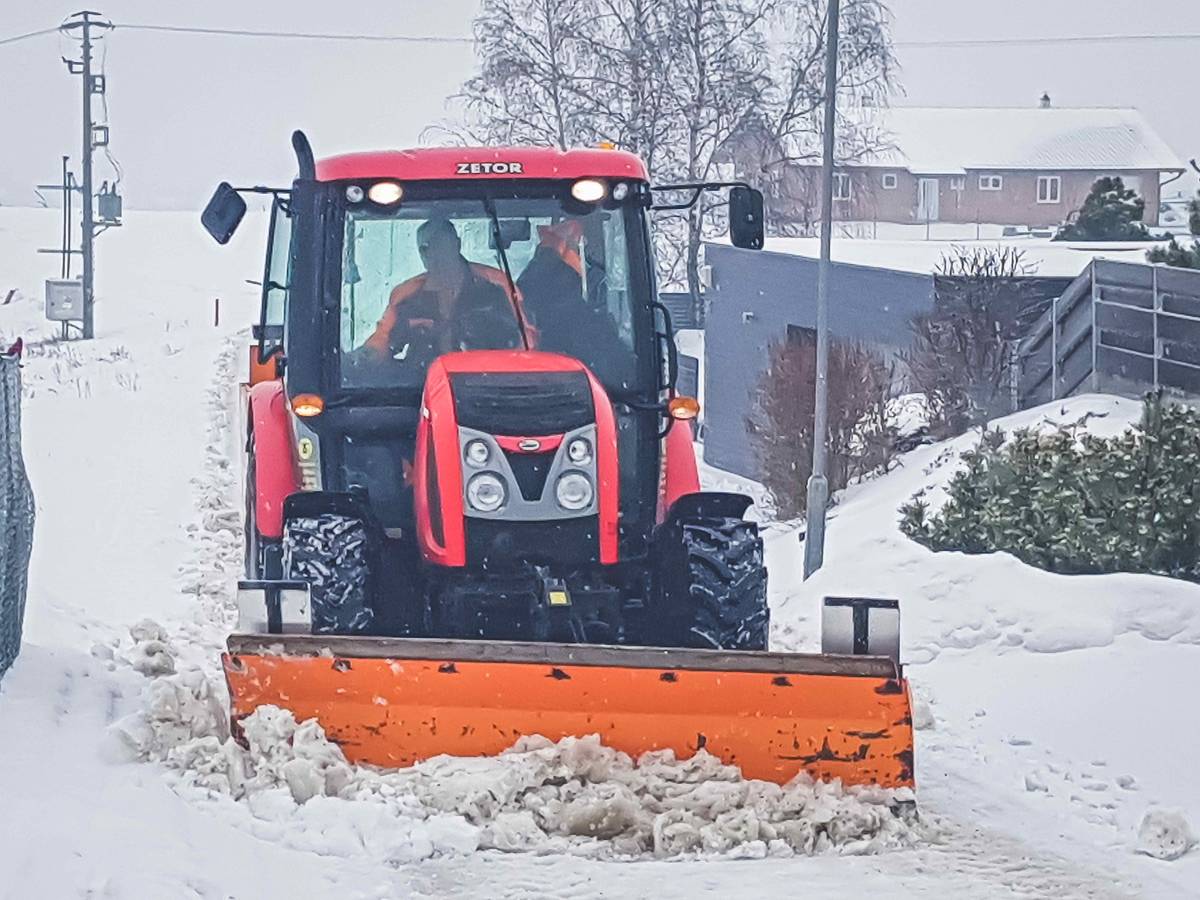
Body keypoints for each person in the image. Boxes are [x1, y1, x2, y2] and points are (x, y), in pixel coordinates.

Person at [363, 216, 531, 361]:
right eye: (424, 248)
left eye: (439, 244)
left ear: (457, 245)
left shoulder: (497, 285)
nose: (431, 253)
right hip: (420, 385)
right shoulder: (406, 295)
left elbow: (527, 341)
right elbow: (381, 342)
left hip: (483, 383)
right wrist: (361, 360)